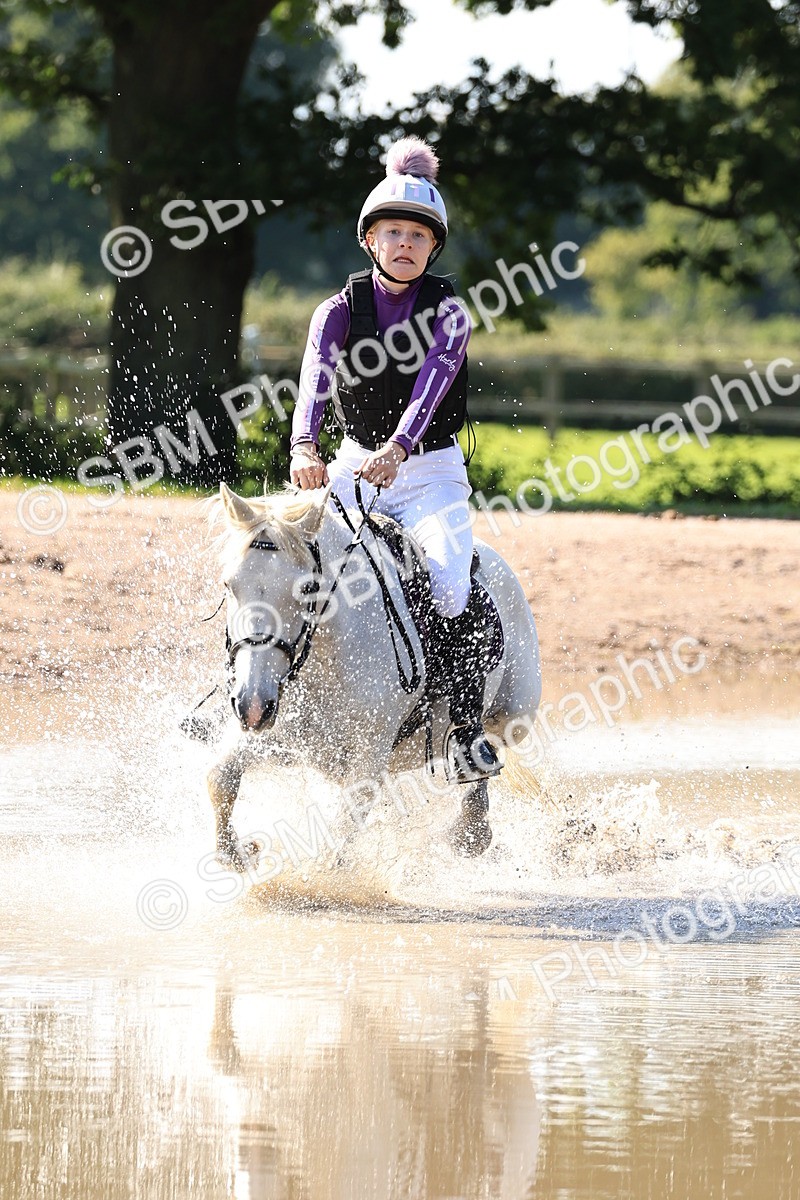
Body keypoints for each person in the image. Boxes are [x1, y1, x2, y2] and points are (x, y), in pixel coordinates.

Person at [290, 135, 500, 783]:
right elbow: (313, 384)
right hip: (355, 466)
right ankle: (247, 699)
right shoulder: (335, 312)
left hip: (430, 475)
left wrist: (399, 448)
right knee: (288, 565)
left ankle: (463, 731)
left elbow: (432, 385)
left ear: (432, 247)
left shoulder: (452, 314)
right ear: (370, 241)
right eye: (392, 232)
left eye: (417, 235)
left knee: (449, 584)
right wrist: (304, 445)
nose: (405, 242)